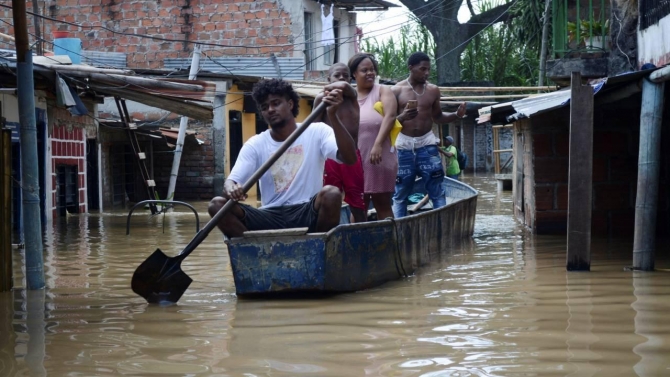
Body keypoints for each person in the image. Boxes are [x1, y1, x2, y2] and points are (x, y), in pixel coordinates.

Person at [208, 78, 357, 238]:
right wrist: (231, 188)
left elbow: (349, 158)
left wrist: (332, 116)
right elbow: (232, 181)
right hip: (269, 215)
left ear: (290, 104)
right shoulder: (256, 143)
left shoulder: (317, 131)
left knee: (332, 194)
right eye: (265, 107)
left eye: (276, 103)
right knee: (216, 205)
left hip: (306, 211)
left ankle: (317, 246)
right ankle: (257, 251)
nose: (270, 110)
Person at [391, 52, 466, 218]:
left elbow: (438, 117)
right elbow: (387, 121)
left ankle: (442, 229)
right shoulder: (396, 90)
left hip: (427, 145)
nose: (426, 73)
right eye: (422, 69)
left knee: (437, 191)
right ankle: (399, 233)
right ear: (411, 68)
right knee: (400, 193)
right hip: (403, 146)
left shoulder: (433, 90)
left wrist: (457, 115)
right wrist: (402, 117)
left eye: (428, 70)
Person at [313, 63, 366, 223]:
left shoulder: (351, 96)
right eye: (337, 75)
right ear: (329, 78)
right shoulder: (320, 100)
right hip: (329, 158)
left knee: (357, 202)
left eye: (346, 75)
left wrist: (333, 86)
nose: (342, 78)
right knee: (329, 198)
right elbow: (313, 130)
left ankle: (364, 235)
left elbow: (343, 86)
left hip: (351, 156)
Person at [348, 53, 398, 220]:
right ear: (354, 74)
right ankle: (357, 242)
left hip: (378, 156)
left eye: (372, 70)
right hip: (355, 159)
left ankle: (391, 242)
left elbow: (390, 116)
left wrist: (377, 144)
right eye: (364, 70)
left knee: (382, 202)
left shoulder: (382, 91)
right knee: (357, 206)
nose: (370, 73)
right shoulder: (349, 96)